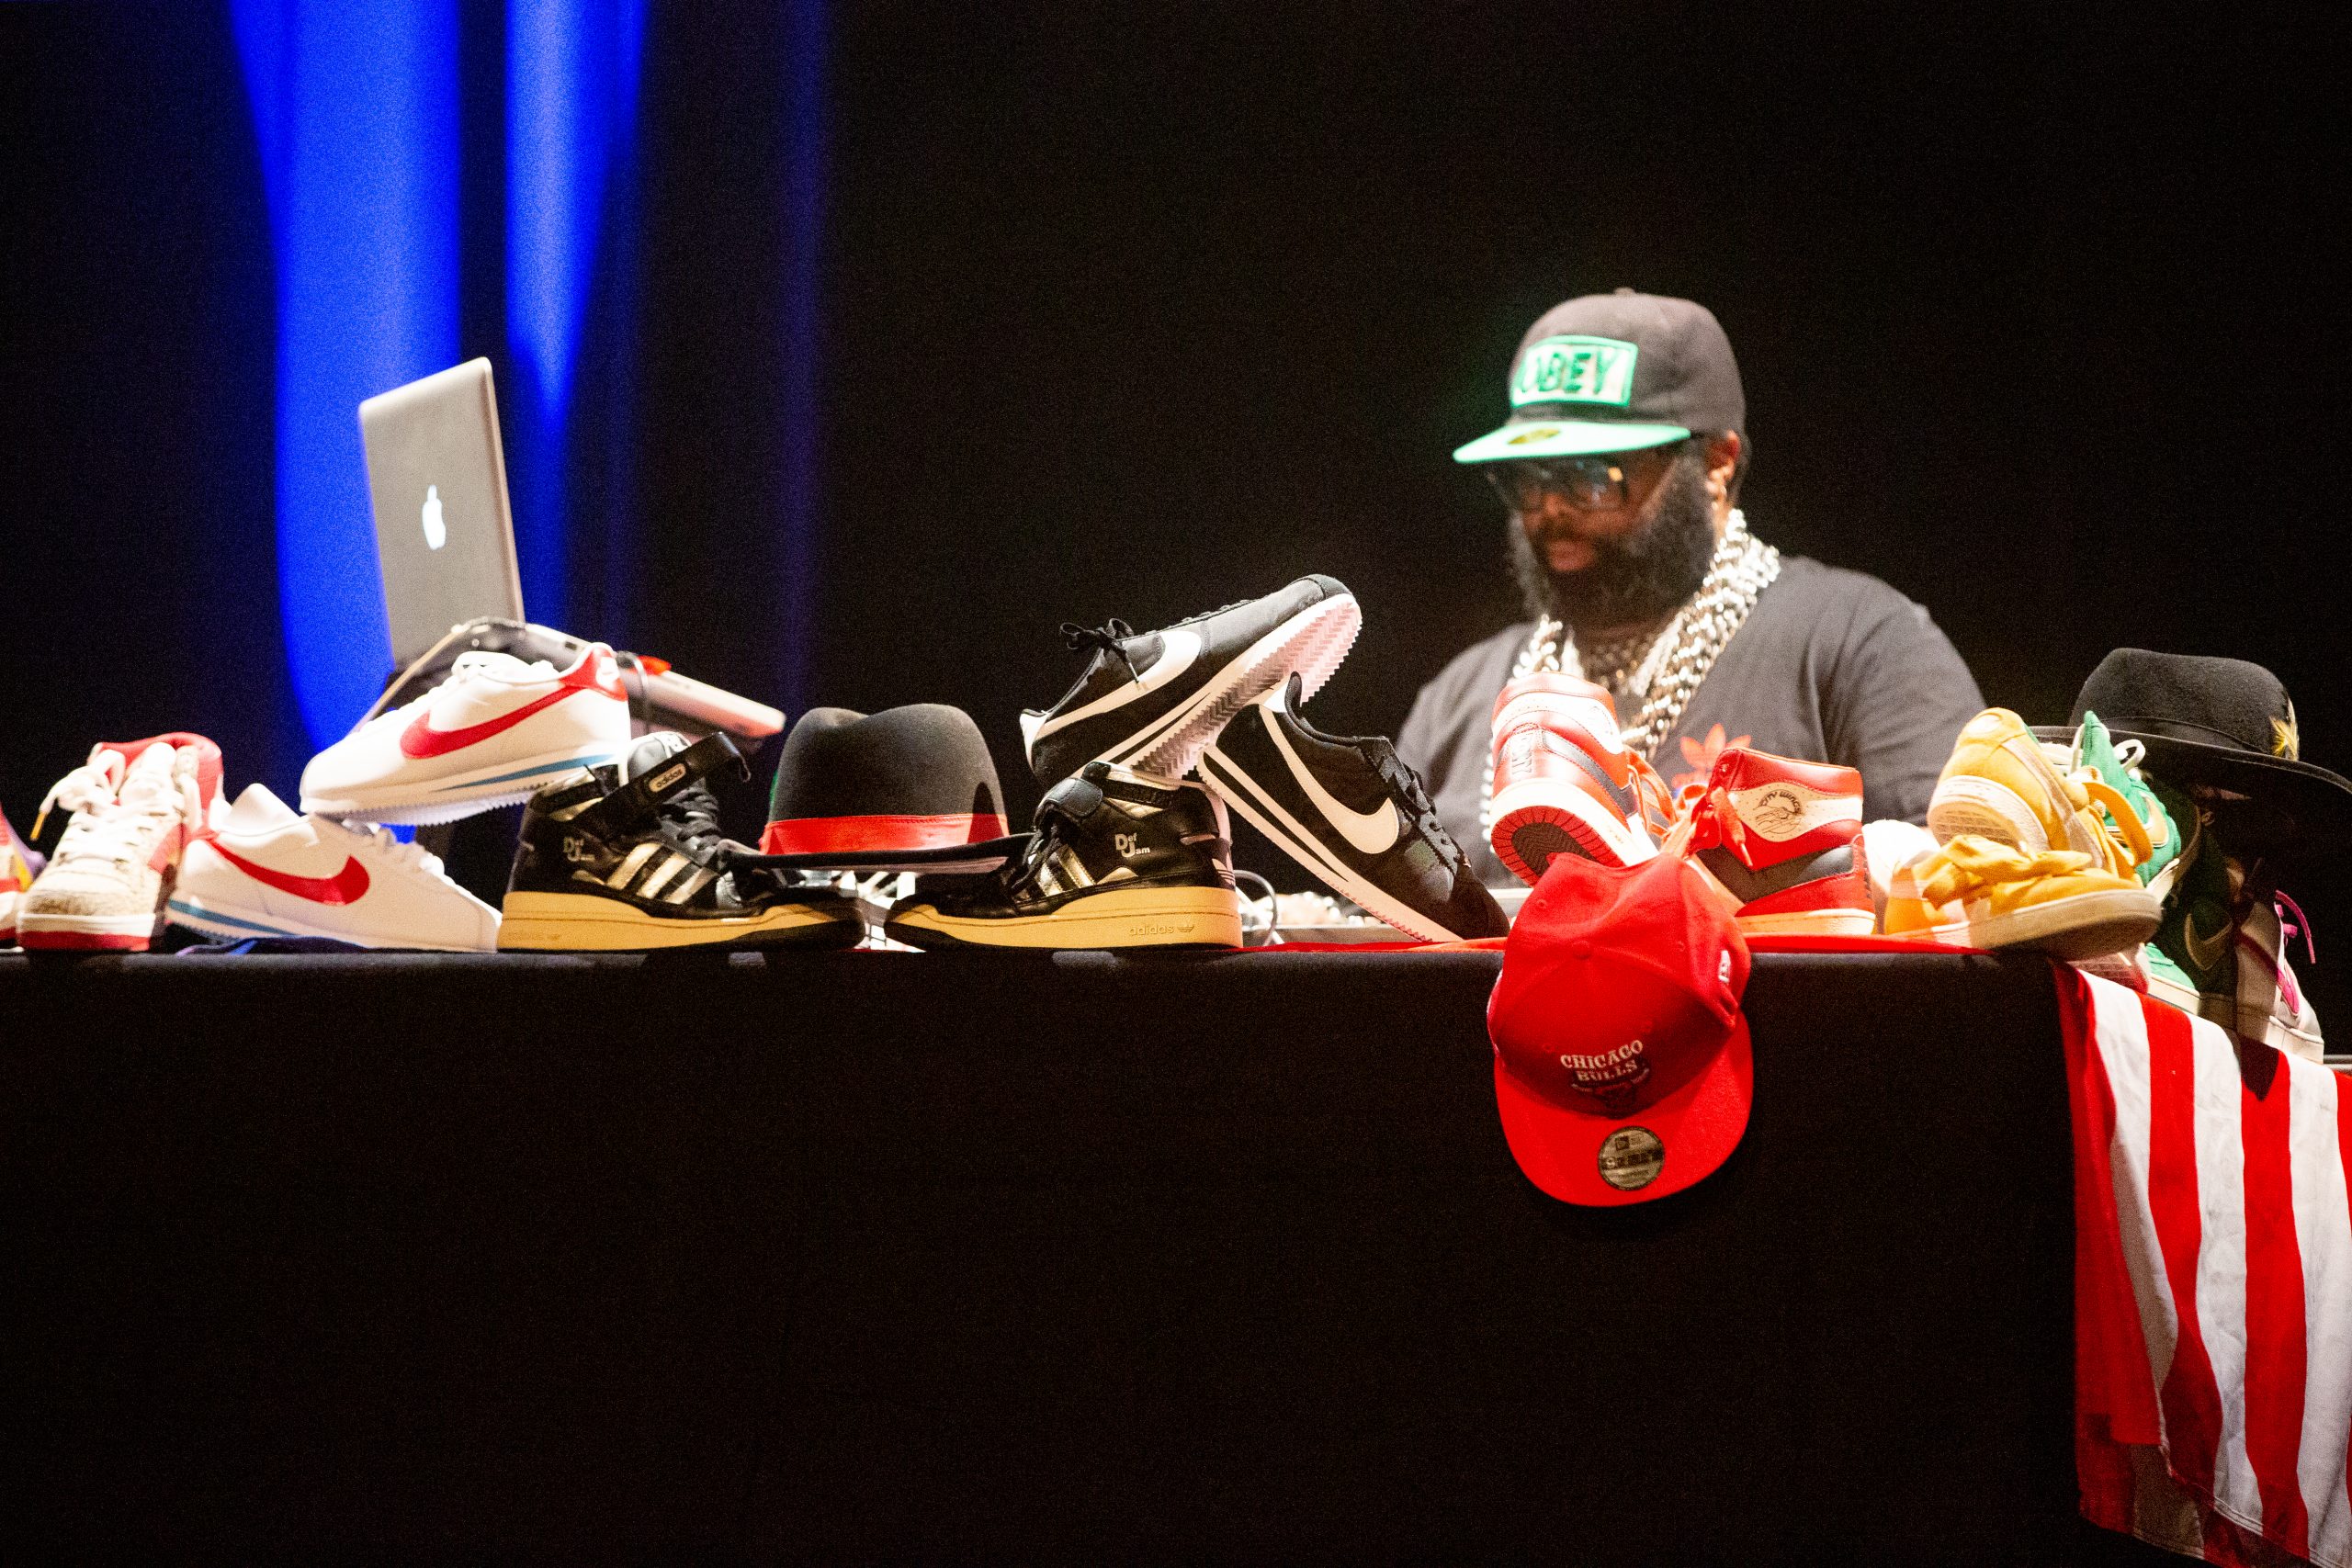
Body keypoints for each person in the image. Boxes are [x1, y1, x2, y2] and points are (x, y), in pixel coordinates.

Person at [1398, 289, 1983, 886]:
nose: (1551, 508)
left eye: (1593, 475)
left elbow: (1968, 878)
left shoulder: (1862, 644)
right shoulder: (1458, 698)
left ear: (1716, 463)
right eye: (1527, 478)